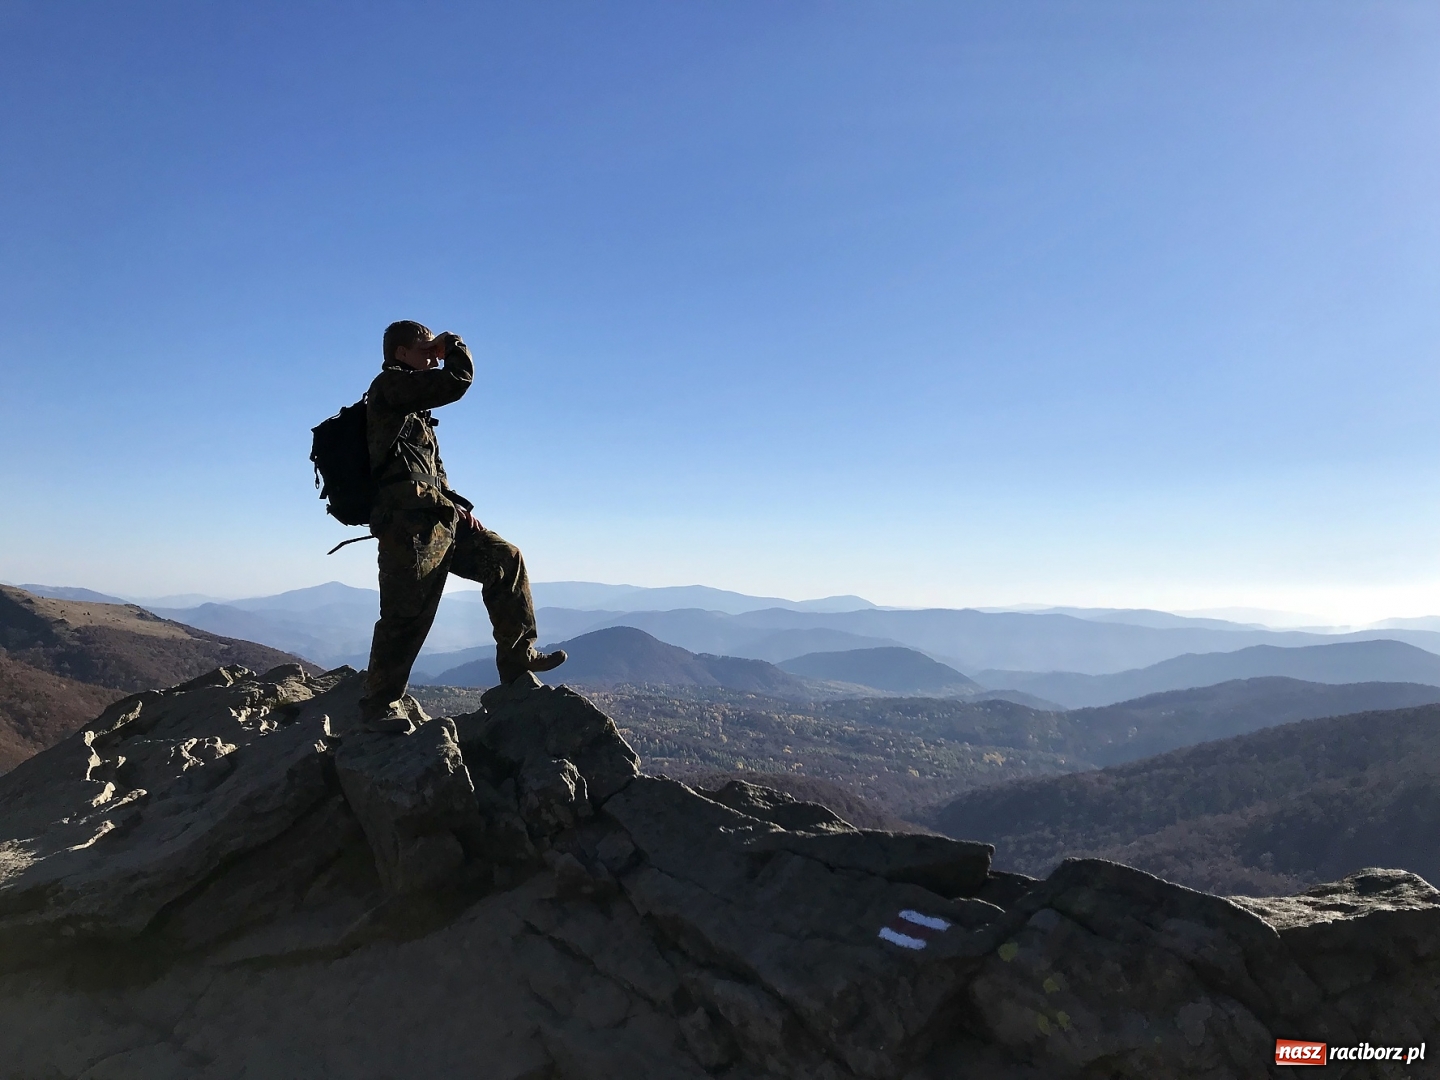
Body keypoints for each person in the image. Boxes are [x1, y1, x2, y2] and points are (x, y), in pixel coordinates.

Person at [358, 320, 565, 733]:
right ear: (400, 353)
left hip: (440, 517)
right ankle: (378, 704)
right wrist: (452, 344)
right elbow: (457, 381)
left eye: (433, 345)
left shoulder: (414, 406)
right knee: (406, 613)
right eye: (422, 346)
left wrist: (455, 505)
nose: (430, 351)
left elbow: (426, 472)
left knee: (506, 560)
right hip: (408, 527)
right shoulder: (388, 387)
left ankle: (518, 659)